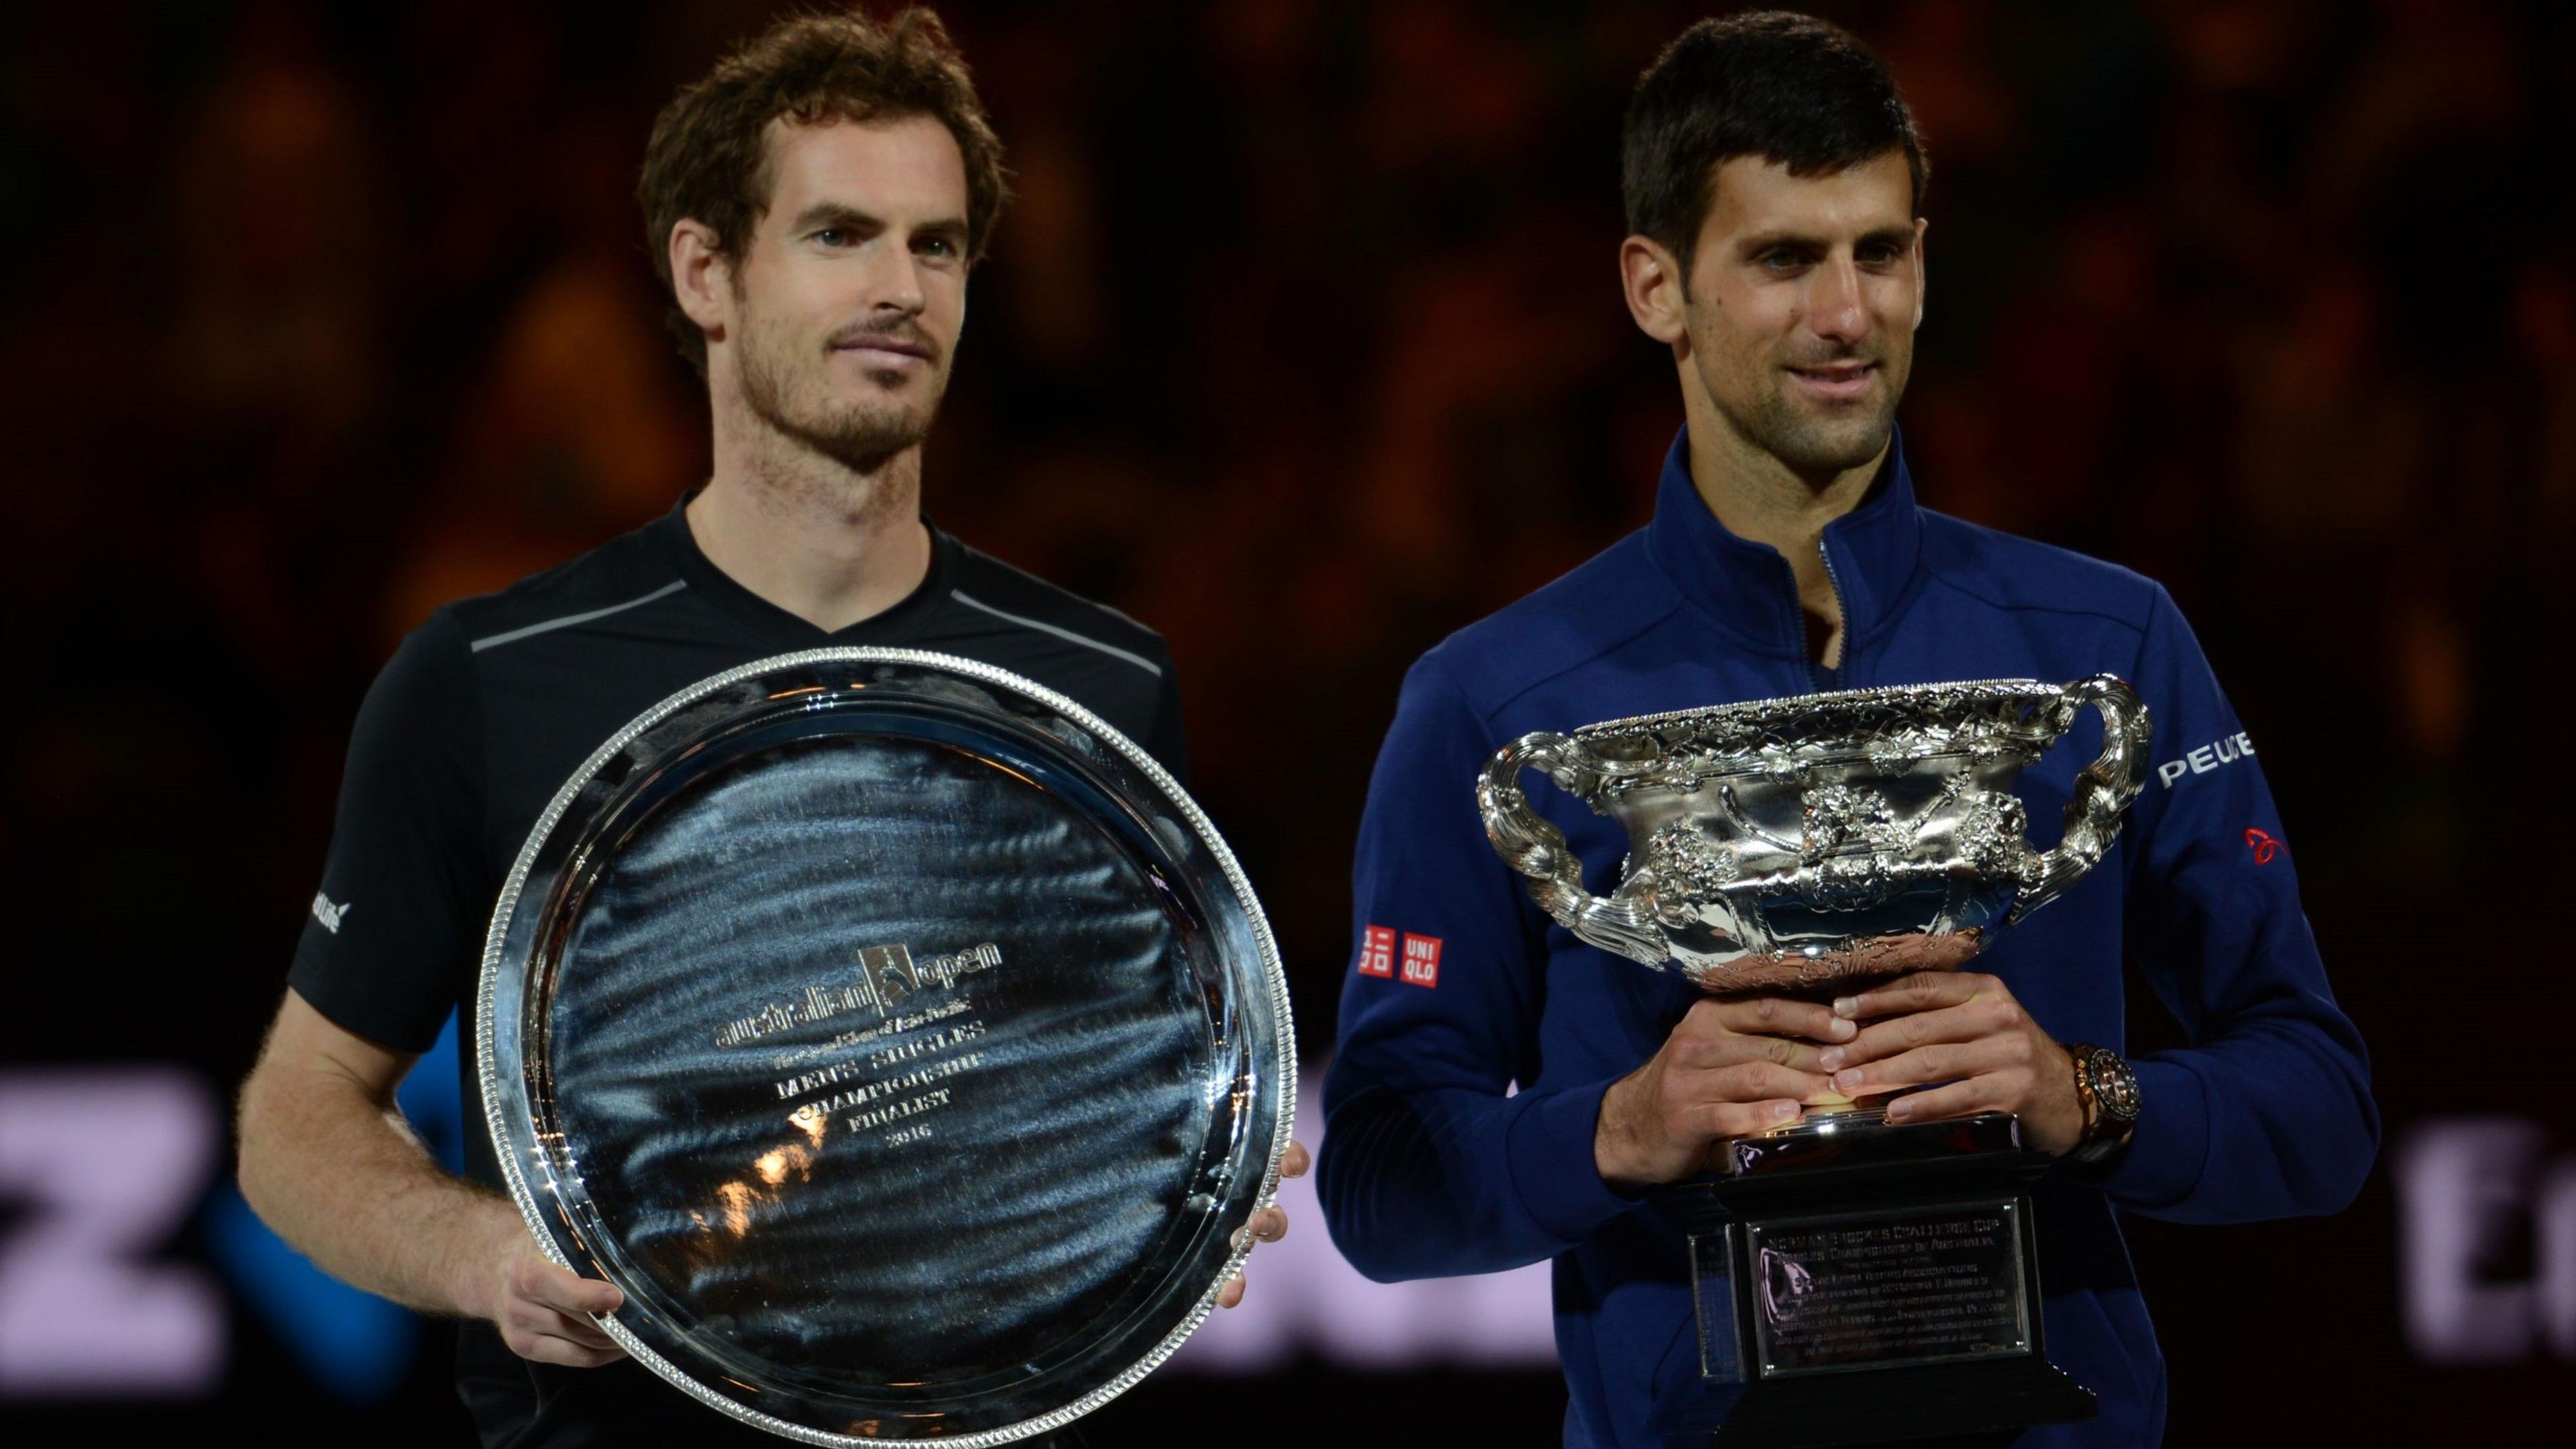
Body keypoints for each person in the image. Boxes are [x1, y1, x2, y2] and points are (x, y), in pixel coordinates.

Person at [235, 9, 1302, 1444]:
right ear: (705, 274)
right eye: (838, 235)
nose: (899, 289)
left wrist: (1175, 1192)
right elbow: (294, 1124)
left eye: (935, 246)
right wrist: (485, 1258)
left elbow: (1099, 1090)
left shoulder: (1094, 688)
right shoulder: (488, 678)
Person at [1316, 13, 2374, 1447]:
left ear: (1925, 266)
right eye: (1782, 258)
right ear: (1654, 288)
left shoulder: (2104, 649)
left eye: (1878, 253)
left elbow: (2319, 1107)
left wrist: (2078, 1097)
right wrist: (1623, 1129)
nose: (1845, 313)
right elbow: (1380, 1182)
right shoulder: (1494, 701)